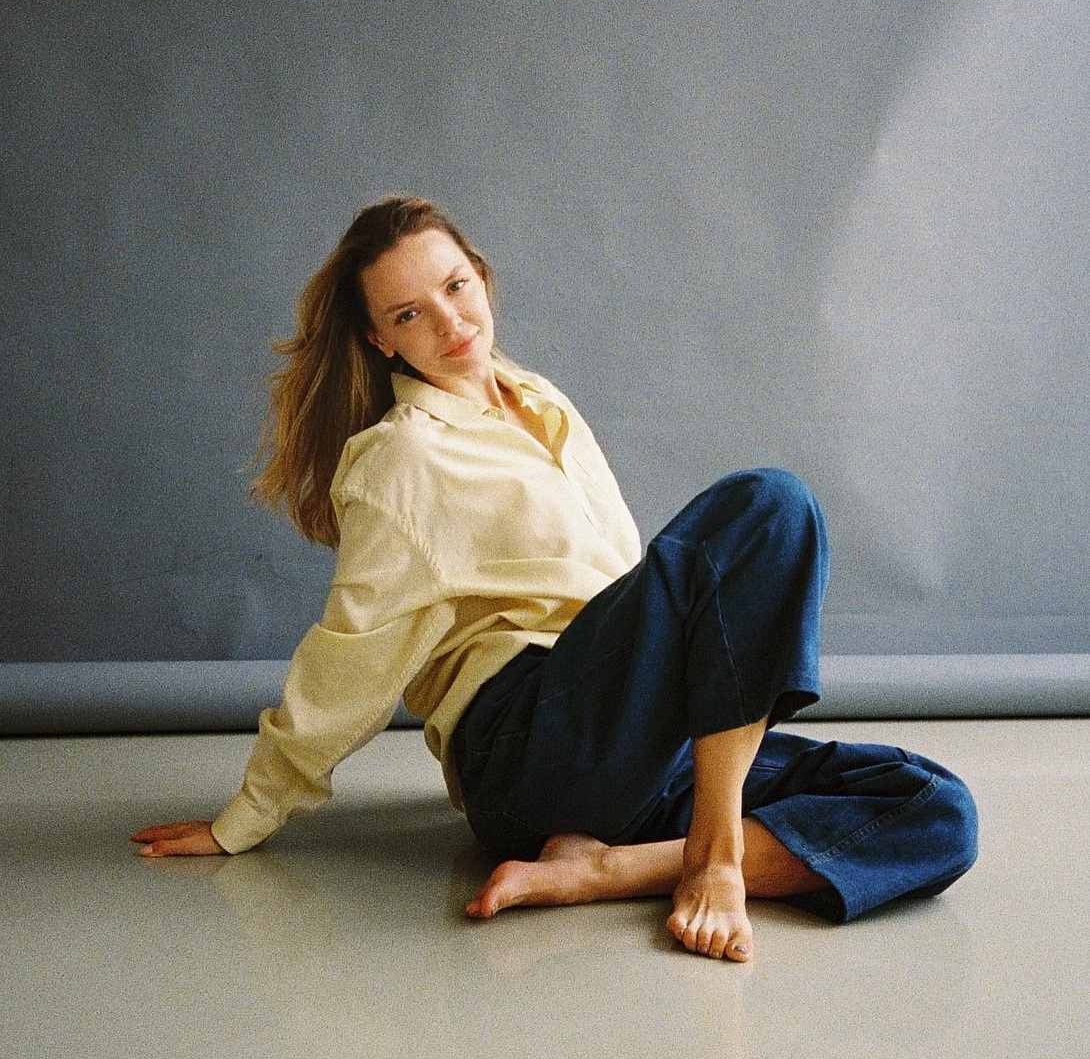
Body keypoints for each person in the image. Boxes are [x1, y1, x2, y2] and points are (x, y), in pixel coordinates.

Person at [133, 195, 978, 961]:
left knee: (934, 807)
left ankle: (609, 868)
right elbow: (349, 657)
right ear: (380, 339)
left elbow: (612, 580)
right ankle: (715, 855)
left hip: (629, 743)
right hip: (532, 748)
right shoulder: (403, 458)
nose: (449, 320)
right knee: (769, 506)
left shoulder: (540, 400)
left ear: (481, 276)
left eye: (456, 286)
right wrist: (246, 816)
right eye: (409, 313)